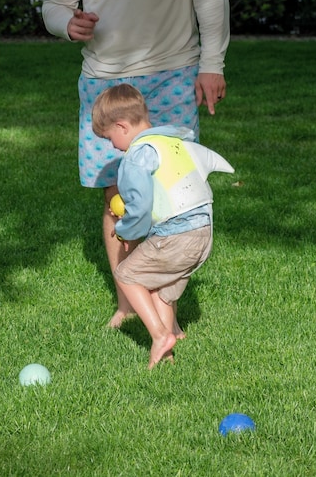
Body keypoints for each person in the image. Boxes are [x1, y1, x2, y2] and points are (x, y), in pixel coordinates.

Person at [42, 0, 231, 331]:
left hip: (171, 73)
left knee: (172, 197)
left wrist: (212, 63)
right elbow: (53, 6)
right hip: (102, 83)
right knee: (118, 197)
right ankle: (129, 302)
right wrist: (67, 24)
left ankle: (164, 313)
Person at [91, 84, 233, 368]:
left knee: (126, 275)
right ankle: (167, 357)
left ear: (121, 127)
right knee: (162, 291)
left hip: (175, 234)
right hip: (203, 232)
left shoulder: (136, 156)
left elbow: (141, 205)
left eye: (109, 138)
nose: (112, 146)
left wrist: (124, 230)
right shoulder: (172, 142)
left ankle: (159, 336)